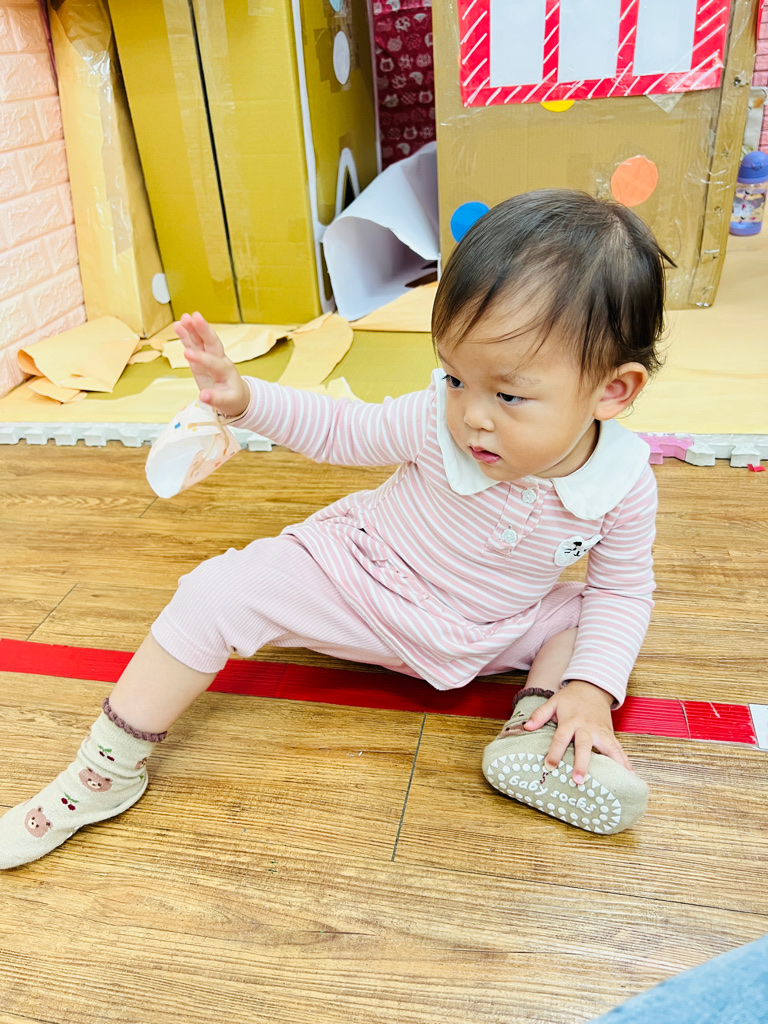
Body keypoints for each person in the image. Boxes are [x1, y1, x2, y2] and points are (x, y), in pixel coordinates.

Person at [0, 189, 670, 869]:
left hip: (488, 629)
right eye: (455, 378)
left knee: (590, 618)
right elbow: (340, 429)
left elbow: (621, 591)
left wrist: (591, 690)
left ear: (612, 391)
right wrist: (245, 399)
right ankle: (105, 772)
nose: (471, 415)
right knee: (213, 593)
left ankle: (539, 730)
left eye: (508, 394)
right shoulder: (435, 421)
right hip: (363, 585)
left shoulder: (623, 486)